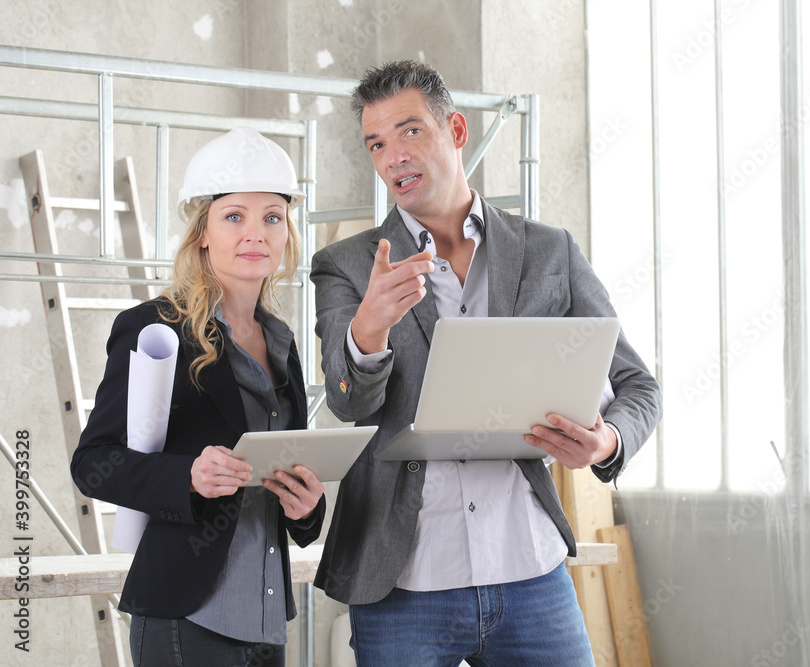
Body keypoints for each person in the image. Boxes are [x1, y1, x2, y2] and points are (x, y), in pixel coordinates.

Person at [310, 60, 662, 666]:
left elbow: (637, 387)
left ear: (456, 130)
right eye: (376, 143)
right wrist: (368, 331)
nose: (392, 155)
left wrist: (605, 442)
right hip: (405, 582)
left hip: (530, 571)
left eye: (409, 131)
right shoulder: (347, 265)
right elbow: (347, 401)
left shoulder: (551, 251)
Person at [71, 127, 326, 667]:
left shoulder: (280, 340)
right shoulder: (152, 328)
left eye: (272, 217)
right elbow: (93, 462)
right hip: (187, 618)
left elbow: (284, 478)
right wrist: (187, 475)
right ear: (203, 232)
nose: (255, 232)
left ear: (286, 235)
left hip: (267, 615)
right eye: (234, 215)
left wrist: (307, 509)